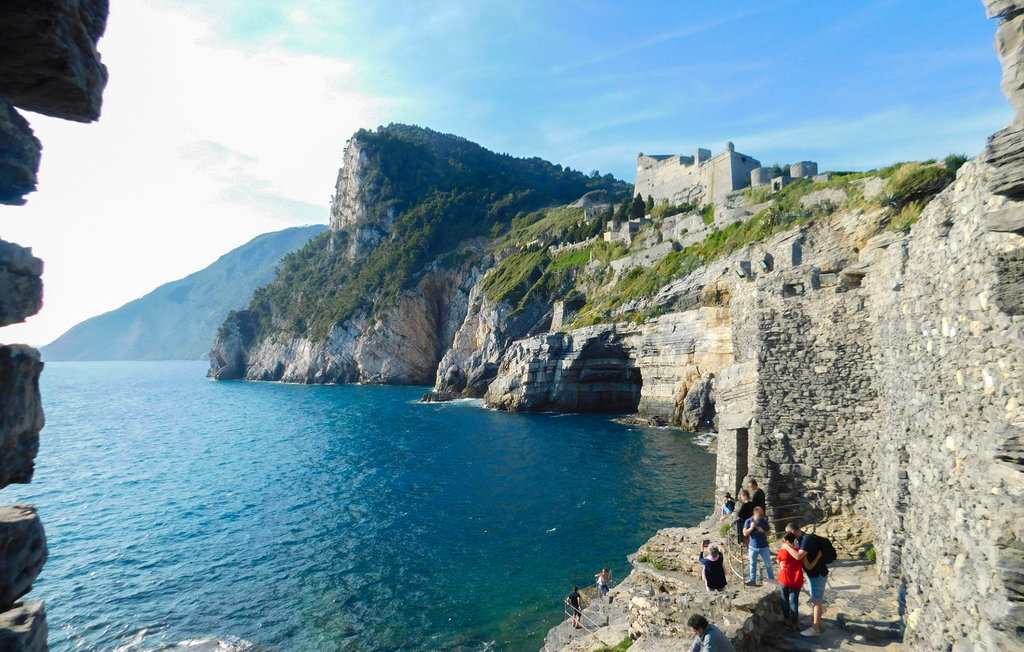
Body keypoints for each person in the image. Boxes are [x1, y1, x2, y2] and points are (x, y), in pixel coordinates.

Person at [783, 523, 828, 637]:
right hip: (813, 573)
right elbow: (804, 562)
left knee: (817, 602)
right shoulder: (801, 540)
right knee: (815, 600)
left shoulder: (806, 540)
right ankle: (816, 621)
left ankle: (815, 629)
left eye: (787, 532)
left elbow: (799, 557)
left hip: (818, 574)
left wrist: (786, 546)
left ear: (792, 532)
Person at [777, 532, 804, 629]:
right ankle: (795, 622)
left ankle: (787, 620)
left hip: (784, 578)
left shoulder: (782, 551)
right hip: (796, 579)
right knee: (794, 601)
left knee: (784, 599)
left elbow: (779, 560)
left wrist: (780, 564)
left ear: (787, 541)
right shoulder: (799, 551)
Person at [742, 505, 773, 585]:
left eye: (762, 514)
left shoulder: (764, 522)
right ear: (755, 513)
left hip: (764, 546)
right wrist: (751, 528)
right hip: (753, 546)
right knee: (752, 563)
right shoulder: (748, 521)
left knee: (768, 564)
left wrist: (763, 531)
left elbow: (769, 533)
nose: (762, 515)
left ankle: (772, 579)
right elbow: (745, 533)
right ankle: (752, 580)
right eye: (760, 514)